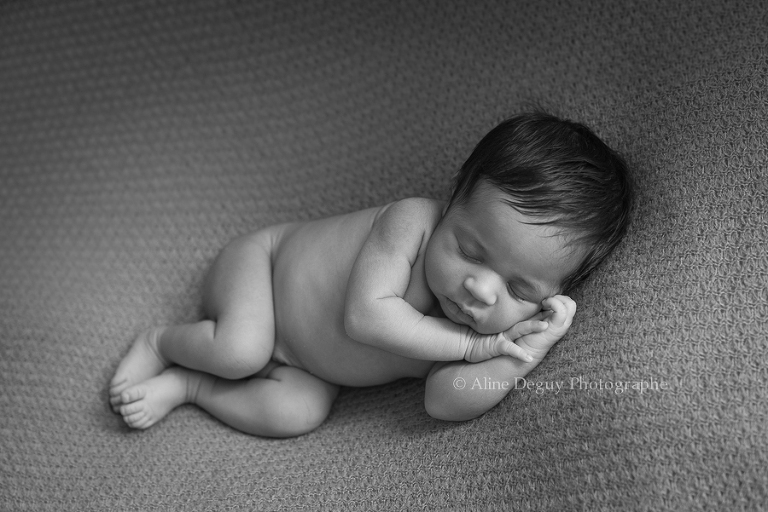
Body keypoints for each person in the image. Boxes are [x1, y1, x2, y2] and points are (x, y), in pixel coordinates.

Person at [109, 111, 633, 437]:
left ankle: (191, 387)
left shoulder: (490, 326)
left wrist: (521, 354)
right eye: (470, 250)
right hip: (262, 270)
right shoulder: (413, 223)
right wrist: (473, 348)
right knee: (239, 349)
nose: (480, 287)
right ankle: (160, 344)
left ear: (550, 297)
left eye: (519, 288)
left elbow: (443, 402)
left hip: (311, 369)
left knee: (296, 414)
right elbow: (365, 317)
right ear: (452, 204)